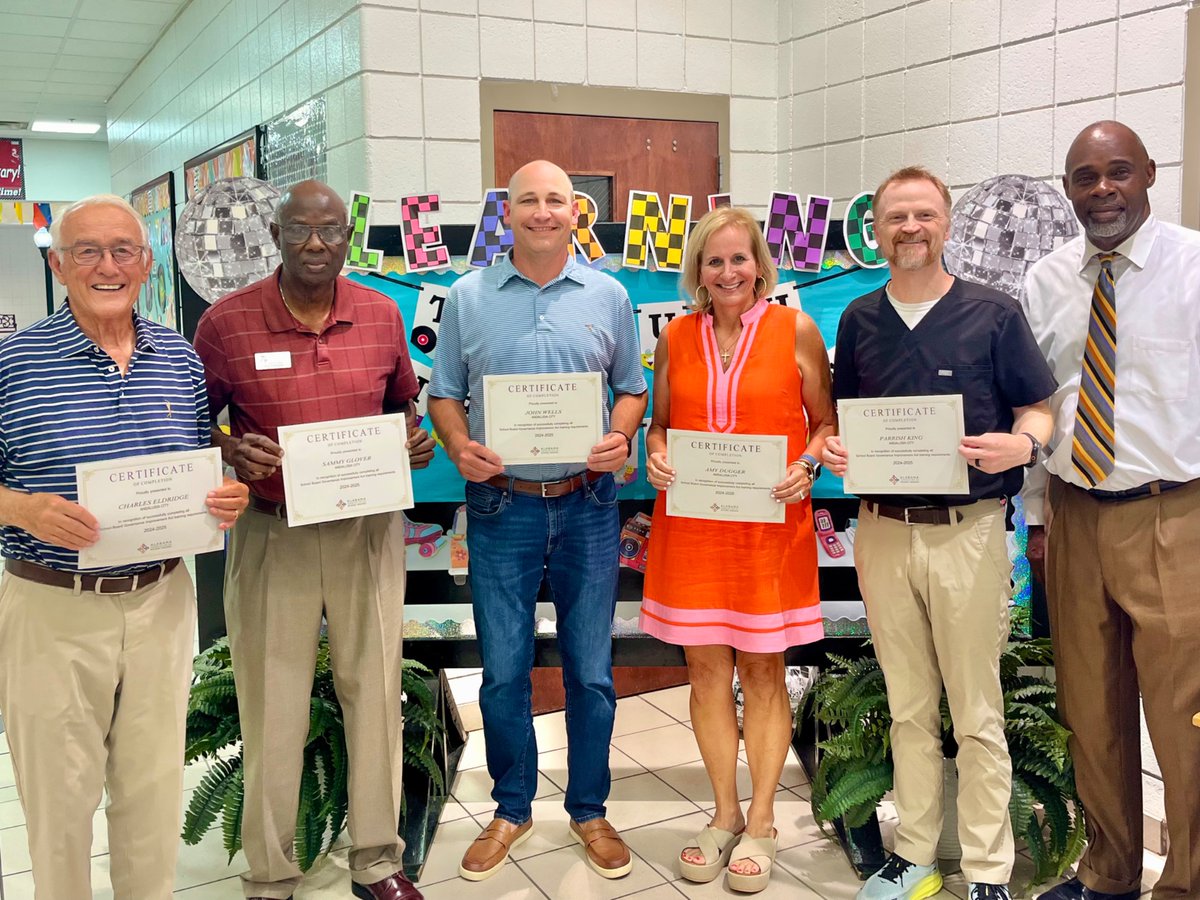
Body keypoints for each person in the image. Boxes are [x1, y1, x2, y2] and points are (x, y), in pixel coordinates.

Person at [0, 194, 249, 900]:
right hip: (53, 607)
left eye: (122, 251)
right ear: (58, 265)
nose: (106, 266)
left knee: (152, 790)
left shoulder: (179, 357)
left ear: (145, 264)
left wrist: (223, 495)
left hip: (162, 601)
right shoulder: (13, 362)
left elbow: (198, 462)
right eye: (87, 251)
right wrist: (20, 507)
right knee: (59, 801)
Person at [193, 180, 434, 900]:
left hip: (367, 531)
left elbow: (401, 408)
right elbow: (194, 421)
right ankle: (271, 873)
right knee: (273, 699)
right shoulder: (227, 324)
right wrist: (230, 449)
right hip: (276, 534)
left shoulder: (380, 313)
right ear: (276, 235)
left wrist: (413, 443)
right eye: (300, 229)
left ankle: (377, 860)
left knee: (375, 689)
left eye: (330, 230)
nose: (316, 244)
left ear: (346, 238)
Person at [823, 167, 1056, 900]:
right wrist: (834, 448)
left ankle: (987, 869)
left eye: (924, 214)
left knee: (978, 709)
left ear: (946, 224)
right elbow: (841, 419)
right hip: (883, 533)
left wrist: (1025, 444)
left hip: (969, 533)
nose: (910, 228)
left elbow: (1039, 407)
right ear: (876, 231)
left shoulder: (993, 313)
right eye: (896, 217)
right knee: (908, 705)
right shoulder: (859, 320)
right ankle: (916, 853)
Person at [428, 160, 648, 882]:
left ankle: (589, 809)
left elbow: (631, 389)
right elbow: (444, 395)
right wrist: (457, 444)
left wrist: (621, 434)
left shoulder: (610, 294)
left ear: (575, 213)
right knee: (503, 673)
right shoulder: (468, 296)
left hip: (589, 505)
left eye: (556, 200)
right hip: (502, 506)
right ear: (507, 212)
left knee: (591, 672)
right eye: (529, 200)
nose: (543, 211)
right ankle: (511, 808)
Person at [1022, 122, 1200, 900]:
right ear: (1067, 189)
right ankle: (1108, 873)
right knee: (1089, 711)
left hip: (1174, 516)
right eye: (1085, 177)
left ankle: (1188, 882)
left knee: (1185, 716)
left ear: (1150, 174)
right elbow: (1037, 405)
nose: (1102, 190)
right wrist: (1037, 518)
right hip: (1074, 513)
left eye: (1118, 172)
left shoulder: (1194, 267)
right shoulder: (1045, 281)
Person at [638, 205, 834, 892]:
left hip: (768, 530)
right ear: (699, 270)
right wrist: (656, 454)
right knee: (704, 673)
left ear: (760, 266)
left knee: (763, 674)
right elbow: (660, 425)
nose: (728, 272)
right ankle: (723, 814)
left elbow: (825, 424)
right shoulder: (676, 336)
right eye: (714, 260)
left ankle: (763, 820)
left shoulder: (795, 330)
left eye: (739, 259)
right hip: (694, 530)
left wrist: (807, 465)